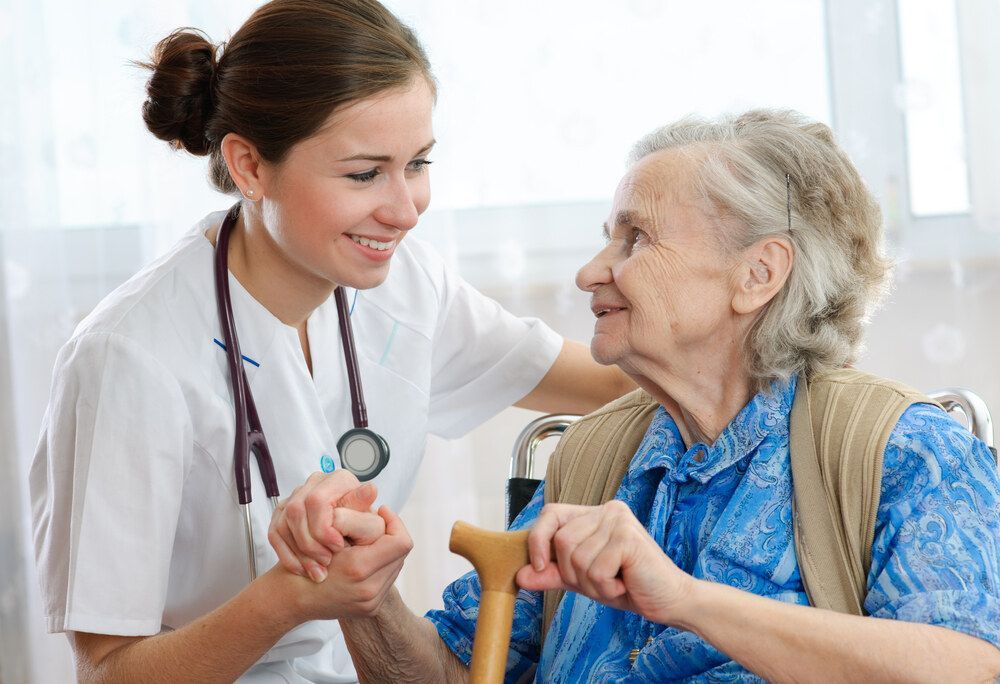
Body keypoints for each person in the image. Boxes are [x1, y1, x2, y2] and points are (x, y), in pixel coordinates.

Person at [272, 109, 1000, 681]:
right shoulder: (590, 462)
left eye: (636, 239)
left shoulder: (903, 450)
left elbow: (970, 670)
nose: (593, 271)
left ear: (758, 275)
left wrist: (684, 599)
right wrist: (363, 598)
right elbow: (460, 676)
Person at [27, 1, 633, 681]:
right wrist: (287, 598)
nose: (404, 211)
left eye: (418, 163)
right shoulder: (129, 359)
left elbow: (619, 380)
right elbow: (107, 673)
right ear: (250, 167)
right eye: (364, 173)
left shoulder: (406, 289)